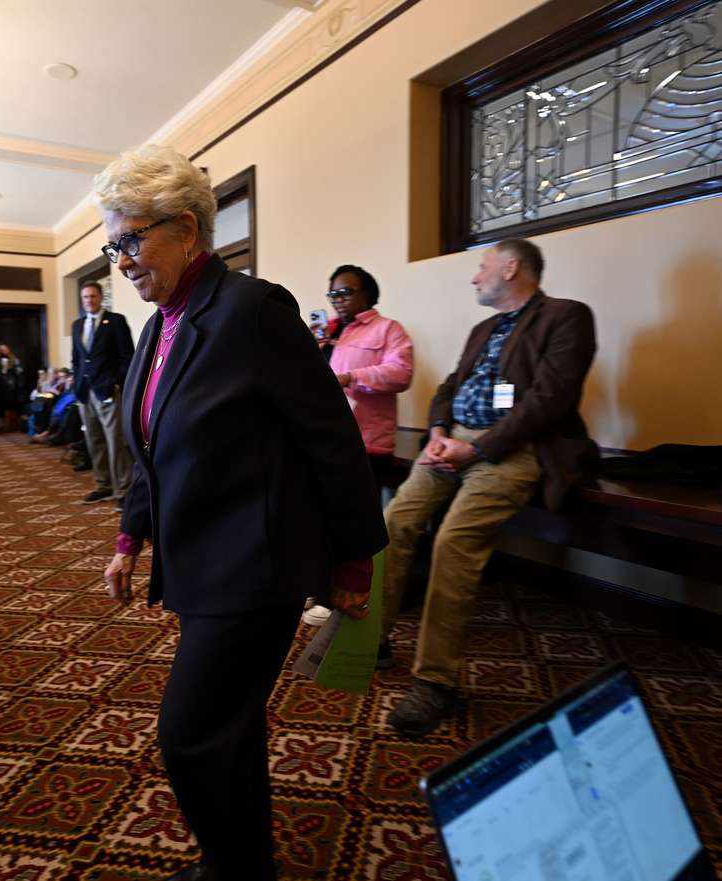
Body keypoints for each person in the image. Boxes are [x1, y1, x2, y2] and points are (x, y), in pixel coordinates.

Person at [96, 144, 387, 881]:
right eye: (112, 244)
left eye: (130, 239)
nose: (120, 259)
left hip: (255, 563)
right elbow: (152, 442)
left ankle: (235, 869)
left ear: (186, 229)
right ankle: (242, 859)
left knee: (190, 734)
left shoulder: (251, 309)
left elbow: (333, 439)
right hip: (199, 555)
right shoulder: (161, 323)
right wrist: (131, 534)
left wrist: (354, 562)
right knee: (227, 727)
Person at [382, 238, 598, 738]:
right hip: (452, 444)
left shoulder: (566, 317)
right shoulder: (483, 328)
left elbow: (550, 400)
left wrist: (477, 450)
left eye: (482, 268)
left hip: (515, 451)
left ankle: (435, 681)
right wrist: (438, 432)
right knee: (393, 523)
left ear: (512, 267)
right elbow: (449, 387)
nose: (475, 277)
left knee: (455, 541)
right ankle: (369, 638)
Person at [303, 264, 413, 628]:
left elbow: (402, 373)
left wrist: (353, 378)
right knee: (317, 518)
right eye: (333, 294)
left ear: (368, 294)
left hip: (367, 442)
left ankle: (346, 598)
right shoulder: (327, 333)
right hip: (325, 440)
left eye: (346, 292)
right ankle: (320, 587)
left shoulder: (388, 329)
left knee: (352, 522)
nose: (338, 300)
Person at [71, 281, 136, 511]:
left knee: (115, 441)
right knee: (94, 440)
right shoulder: (77, 325)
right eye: (86, 297)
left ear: (100, 298)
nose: (89, 300)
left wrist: (116, 382)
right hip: (85, 393)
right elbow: (77, 360)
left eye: (93, 296)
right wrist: (76, 381)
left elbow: (128, 356)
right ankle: (103, 484)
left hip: (107, 390)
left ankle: (123, 489)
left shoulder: (115, 321)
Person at [0, 344, 24, 432]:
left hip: (13, 386)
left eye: (5, 348)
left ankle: (13, 425)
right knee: (3, 406)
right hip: (0, 386)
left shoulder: (15, 359)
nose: (4, 350)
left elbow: (20, 372)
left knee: (12, 405)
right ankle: (6, 425)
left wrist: (13, 372)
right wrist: (1, 371)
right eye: (2, 349)